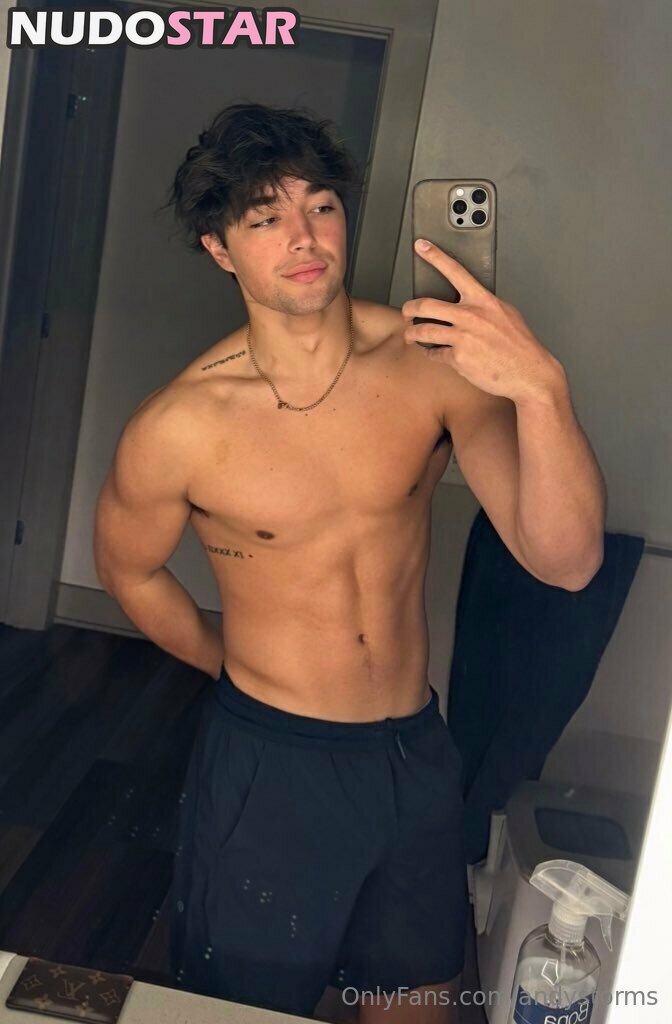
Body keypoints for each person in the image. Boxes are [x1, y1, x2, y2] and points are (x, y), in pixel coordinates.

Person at [93, 103, 606, 1023]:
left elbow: (566, 563)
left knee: (414, 999)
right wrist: (227, 662)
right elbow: (129, 570)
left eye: (320, 206)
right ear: (219, 248)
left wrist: (541, 388)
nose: (303, 236)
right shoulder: (179, 426)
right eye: (264, 216)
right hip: (270, 761)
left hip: (413, 752)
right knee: (246, 1009)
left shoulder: (433, 363)